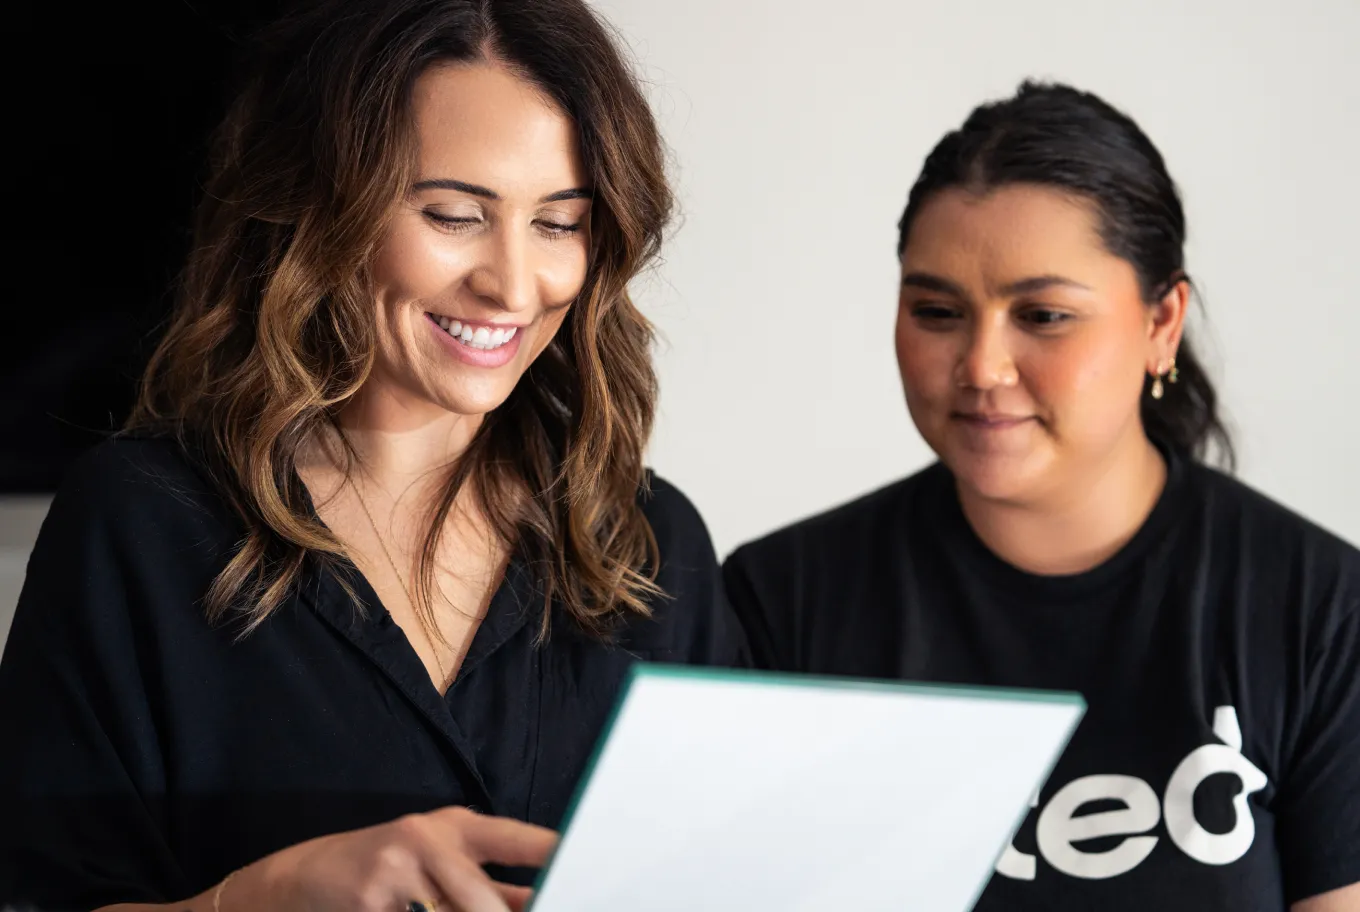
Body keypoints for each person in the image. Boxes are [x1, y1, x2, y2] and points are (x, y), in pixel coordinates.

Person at [0, 1, 745, 909]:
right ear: (319, 210)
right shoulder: (139, 524)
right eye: (454, 215)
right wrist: (259, 898)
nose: (513, 284)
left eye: (558, 224)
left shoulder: (647, 541)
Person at [724, 81, 1360, 911]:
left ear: (1162, 322)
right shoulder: (781, 602)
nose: (983, 366)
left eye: (1045, 315)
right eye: (938, 310)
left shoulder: (1320, 613)